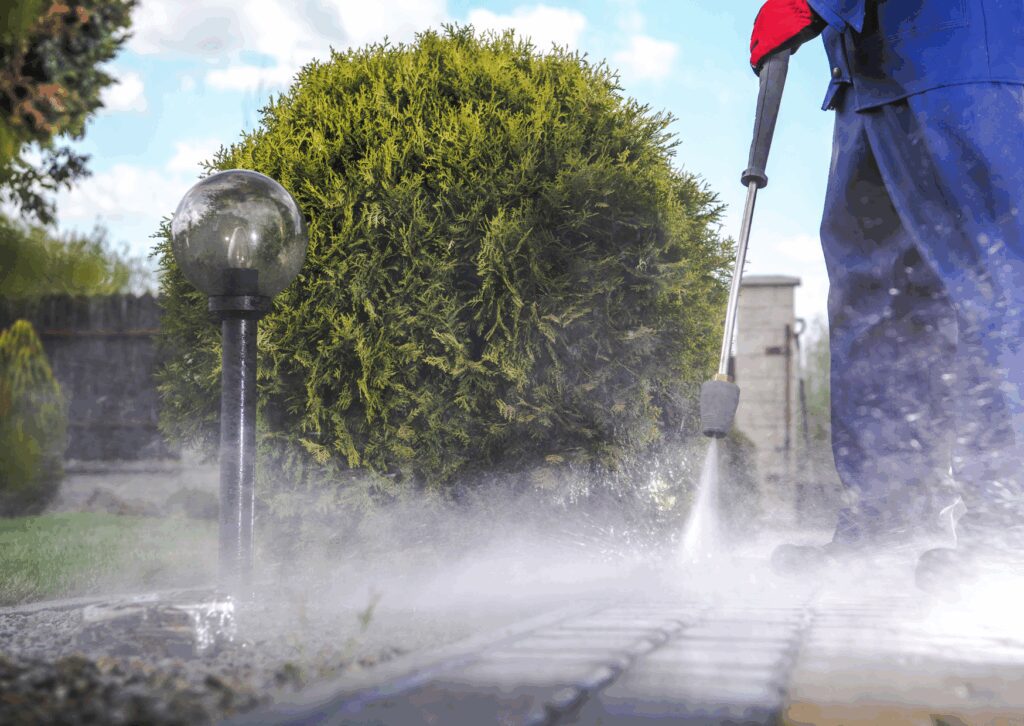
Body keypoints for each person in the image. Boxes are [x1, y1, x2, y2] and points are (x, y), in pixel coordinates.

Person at [750, 0, 1024, 573]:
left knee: (1000, 279)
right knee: (879, 300)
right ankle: (891, 518)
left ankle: (1009, 530)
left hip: (968, 56)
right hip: (867, 77)